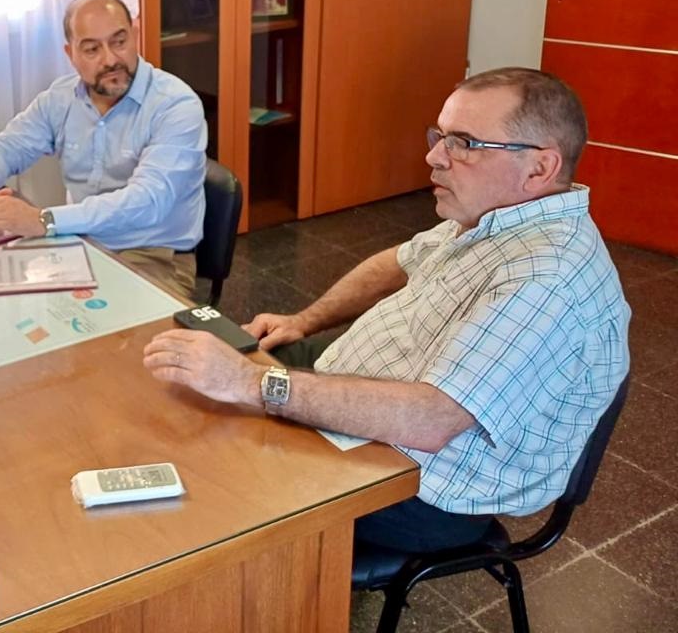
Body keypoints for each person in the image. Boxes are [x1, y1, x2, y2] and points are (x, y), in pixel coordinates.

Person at [143, 68, 629, 552]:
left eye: (463, 143)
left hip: (425, 488)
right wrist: (302, 322)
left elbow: (431, 421)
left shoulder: (548, 278)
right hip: (373, 389)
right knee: (188, 394)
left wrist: (250, 383)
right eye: (440, 136)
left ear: (539, 168)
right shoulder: (492, 217)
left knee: (215, 477)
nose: (434, 156)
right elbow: (396, 263)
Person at [0, 0, 207, 297]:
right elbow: (9, 145)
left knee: (99, 326)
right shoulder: (61, 99)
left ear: (135, 34)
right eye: (92, 49)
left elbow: (148, 201)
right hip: (77, 243)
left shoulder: (175, 105)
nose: (110, 60)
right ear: (71, 54)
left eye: (119, 42)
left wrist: (44, 220)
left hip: (152, 254)